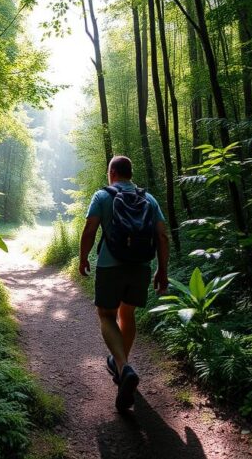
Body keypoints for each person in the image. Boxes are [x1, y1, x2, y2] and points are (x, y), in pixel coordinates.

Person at [79, 155, 170, 411]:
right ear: (130, 173)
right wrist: (162, 271)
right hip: (141, 266)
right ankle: (123, 369)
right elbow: (162, 236)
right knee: (127, 314)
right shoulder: (149, 199)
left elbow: (89, 229)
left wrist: (83, 258)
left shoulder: (102, 196)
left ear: (113, 173)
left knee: (106, 315)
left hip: (110, 265)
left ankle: (122, 366)